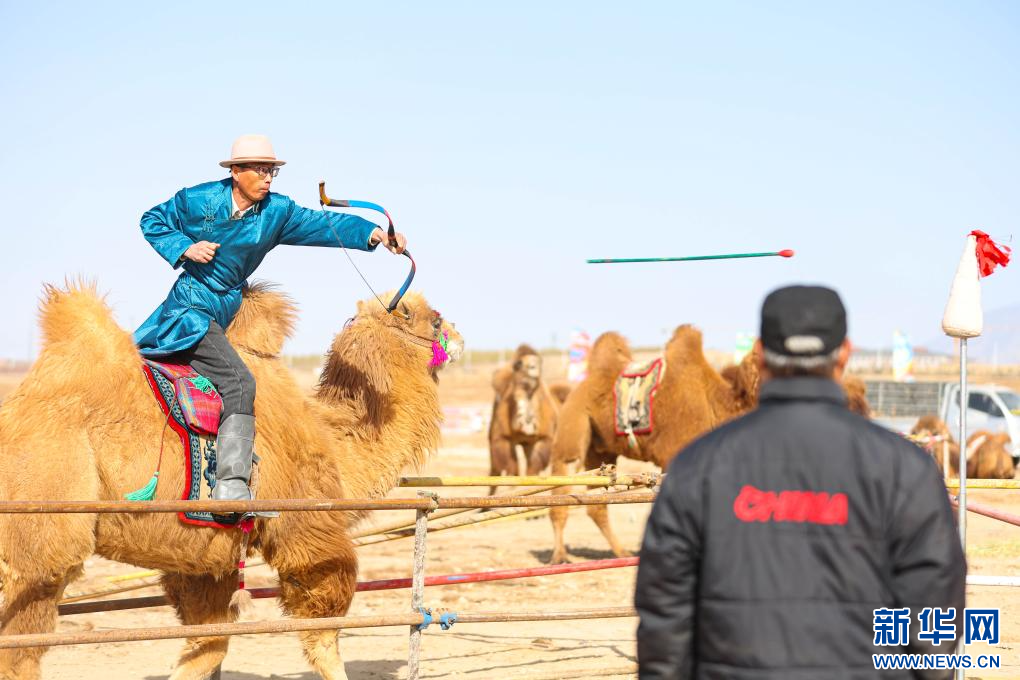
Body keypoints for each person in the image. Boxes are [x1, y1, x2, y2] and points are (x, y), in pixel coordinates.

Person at [634, 285, 966, 679]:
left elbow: (664, 617)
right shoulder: (905, 470)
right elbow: (935, 616)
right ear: (845, 353)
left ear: (760, 354)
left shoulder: (698, 466)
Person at [134, 134, 407, 502]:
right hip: (190, 310)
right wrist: (185, 248)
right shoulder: (198, 199)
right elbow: (152, 219)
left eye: (271, 171)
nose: (267, 178)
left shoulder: (277, 211)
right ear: (235, 172)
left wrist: (374, 234)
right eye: (260, 170)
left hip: (227, 309)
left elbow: (323, 224)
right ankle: (230, 487)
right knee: (240, 383)